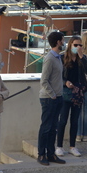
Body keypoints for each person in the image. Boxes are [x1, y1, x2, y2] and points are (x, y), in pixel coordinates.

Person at [56, 35, 87, 157]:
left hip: (78, 93)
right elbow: (57, 76)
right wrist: (65, 82)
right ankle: (59, 146)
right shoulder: (62, 58)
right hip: (65, 92)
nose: (78, 47)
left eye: (80, 45)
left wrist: (82, 57)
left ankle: (72, 146)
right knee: (63, 120)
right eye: (75, 45)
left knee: (75, 120)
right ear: (70, 45)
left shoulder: (83, 58)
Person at [37, 31, 66, 165]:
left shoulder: (58, 57)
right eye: (63, 40)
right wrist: (53, 95)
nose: (64, 42)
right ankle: (41, 155)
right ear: (58, 42)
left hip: (58, 97)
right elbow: (44, 80)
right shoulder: (49, 58)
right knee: (46, 127)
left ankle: (51, 154)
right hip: (49, 98)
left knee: (53, 127)